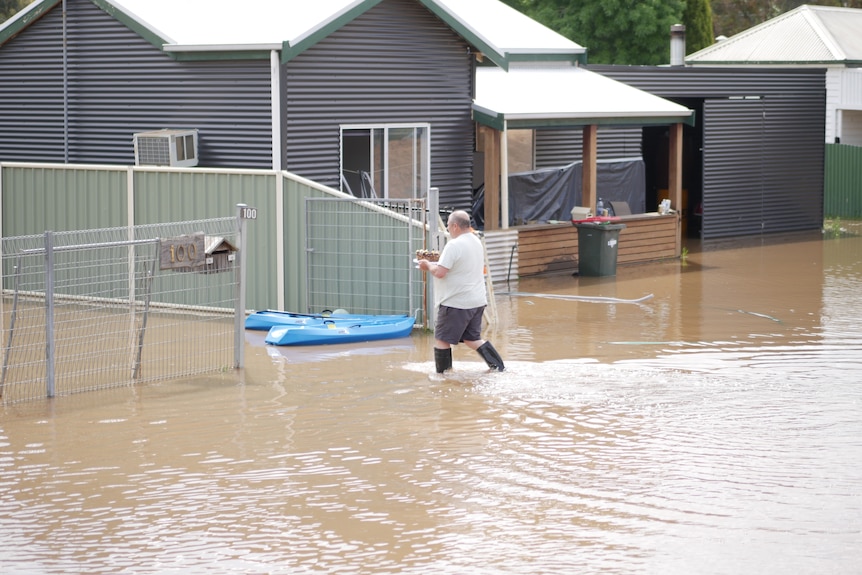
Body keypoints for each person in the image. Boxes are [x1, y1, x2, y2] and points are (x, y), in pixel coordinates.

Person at [417, 210, 505, 373]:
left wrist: (427, 265)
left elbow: (440, 273)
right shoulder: (475, 240)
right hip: (477, 301)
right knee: (472, 339)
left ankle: (443, 376)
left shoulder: (454, 245)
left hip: (456, 302)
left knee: (442, 339)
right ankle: (499, 367)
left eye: (449, 226)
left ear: (455, 226)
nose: (449, 229)